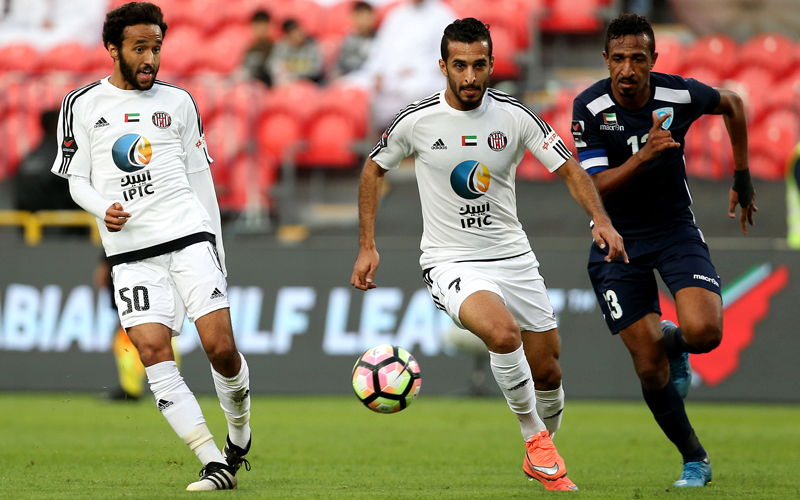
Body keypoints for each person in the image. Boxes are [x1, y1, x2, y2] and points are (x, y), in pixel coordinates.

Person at [351, 18, 626, 492]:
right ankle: (535, 439)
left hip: (512, 256)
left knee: (548, 371)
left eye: (479, 65)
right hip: (450, 261)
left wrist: (600, 219)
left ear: (492, 64)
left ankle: (539, 450)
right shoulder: (416, 120)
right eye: (460, 66)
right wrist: (367, 245)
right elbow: (373, 169)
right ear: (443, 67)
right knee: (502, 333)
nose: (470, 76)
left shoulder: (515, 116)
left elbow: (569, 170)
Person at [49, 2, 252, 491]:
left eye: (156, 47)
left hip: (188, 237)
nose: (150, 58)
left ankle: (239, 432)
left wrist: (217, 250)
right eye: (140, 48)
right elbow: (76, 180)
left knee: (221, 349)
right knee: (151, 350)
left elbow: (201, 180)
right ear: (112, 48)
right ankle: (212, 461)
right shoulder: (80, 104)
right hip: (130, 252)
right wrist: (102, 207)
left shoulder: (179, 102)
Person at [572, 13, 757, 488]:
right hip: (616, 240)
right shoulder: (589, 107)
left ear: (654, 59)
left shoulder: (678, 94)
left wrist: (742, 175)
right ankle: (695, 459)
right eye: (619, 58)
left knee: (705, 333)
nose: (628, 69)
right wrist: (645, 155)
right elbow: (595, 188)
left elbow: (734, 103)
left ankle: (674, 342)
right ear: (605, 59)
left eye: (638, 58)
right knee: (650, 369)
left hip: (674, 230)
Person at [344, 0, 456, 132]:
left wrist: (415, 69)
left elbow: (448, 56)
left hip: (423, 76)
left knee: (413, 89)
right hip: (388, 76)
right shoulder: (396, 15)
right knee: (349, 86)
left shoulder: (442, 15)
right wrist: (378, 72)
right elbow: (379, 50)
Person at [14, 109, 79, 213]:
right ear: (57, 125)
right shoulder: (63, 158)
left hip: (30, 221)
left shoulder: (27, 159)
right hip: (62, 221)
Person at [268, 18, 323, 85]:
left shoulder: (312, 46)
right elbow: (272, 66)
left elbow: (316, 70)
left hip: (308, 83)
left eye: (299, 31)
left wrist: (296, 75)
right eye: (294, 32)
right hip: (287, 83)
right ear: (288, 35)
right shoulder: (281, 47)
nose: (298, 35)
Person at [331, 1, 376, 78]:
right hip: (348, 76)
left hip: (368, 77)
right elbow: (340, 64)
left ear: (373, 17)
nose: (363, 21)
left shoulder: (379, 40)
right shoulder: (349, 39)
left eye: (366, 16)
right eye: (359, 16)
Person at [240, 9, 274, 87]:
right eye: (258, 25)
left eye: (264, 25)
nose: (261, 29)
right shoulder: (249, 50)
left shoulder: (277, 48)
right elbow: (243, 72)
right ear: (253, 27)